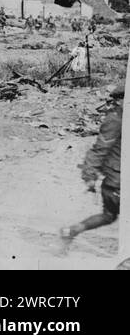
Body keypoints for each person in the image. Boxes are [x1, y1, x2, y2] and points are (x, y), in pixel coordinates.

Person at [59, 85, 122, 246]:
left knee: (108, 216)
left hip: (118, 180)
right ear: (121, 100)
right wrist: (89, 174)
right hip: (117, 181)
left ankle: (71, 231)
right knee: (109, 215)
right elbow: (99, 149)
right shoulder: (115, 120)